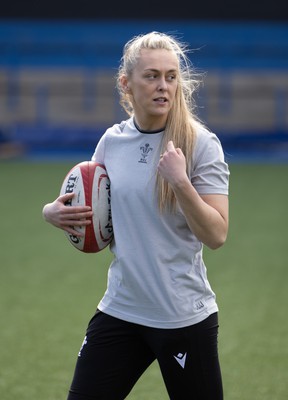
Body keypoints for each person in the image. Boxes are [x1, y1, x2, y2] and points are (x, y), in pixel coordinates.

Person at [42, 31, 230, 400]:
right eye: (152, 76)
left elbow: (217, 234)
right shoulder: (112, 141)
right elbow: (92, 204)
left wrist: (180, 183)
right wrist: (52, 211)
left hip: (182, 316)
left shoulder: (200, 145)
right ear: (126, 84)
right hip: (122, 309)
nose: (163, 86)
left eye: (171, 76)